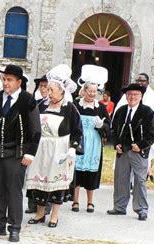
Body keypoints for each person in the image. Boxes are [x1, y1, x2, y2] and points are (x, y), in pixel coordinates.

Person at [0, 64, 41, 242]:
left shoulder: (27, 100)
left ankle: (14, 227)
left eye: (10, 80)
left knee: (13, 191)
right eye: (4, 79)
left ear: (19, 82)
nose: (6, 83)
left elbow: (36, 130)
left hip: (16, 153)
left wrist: (30, 153)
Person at [25, 64, 82, 227]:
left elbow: (77, 130)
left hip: (60, 148)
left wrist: (73, 148)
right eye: (47, 90)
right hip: (42, 147)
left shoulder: (69, 109)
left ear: (62, 91)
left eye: (52, 90)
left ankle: (55, 215)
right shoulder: (41, 105)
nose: (48, 93)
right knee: (40, 179)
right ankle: (40, 213)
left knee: (57, 182)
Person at [108, 83, 154, 221]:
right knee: (121, 179)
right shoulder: (121, 111)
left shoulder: (147, 112)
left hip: (138, 152)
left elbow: (153, 132)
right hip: (123, 150)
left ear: (141, 96)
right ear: (126, 96)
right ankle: (119, 207)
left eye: (136, 94)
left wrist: (141, 145)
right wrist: (116, 143)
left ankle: (141, 209)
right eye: (130, 94)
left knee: (140, 180)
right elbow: (114, 129)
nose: (132, 97)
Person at [113, 73, 154, 183]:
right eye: (138, 80)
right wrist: (116, 142)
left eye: (143, 80)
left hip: (141, 145)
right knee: (122, 178)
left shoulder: (153, 96)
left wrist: (143, 144)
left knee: (140, 177)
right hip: (125, 146)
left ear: (148, 82)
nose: (140, 82)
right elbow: (115, 126)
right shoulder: (126, 102)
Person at [72, 81, 110, 213]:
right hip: (80, 141)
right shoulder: (76, 105)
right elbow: (70, 121)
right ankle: (75, 200)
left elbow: (109, 126)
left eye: (95, 92)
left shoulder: (100, 107)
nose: (92, 94)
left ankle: (90, 202)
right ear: (84, 91)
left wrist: (102, 126)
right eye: (90, 91)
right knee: (76, 170)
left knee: (91, 172)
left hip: (94, 143)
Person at [25, 74, 49, 215]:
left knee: (45, 174)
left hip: (48, 142)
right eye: (41, 86)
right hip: (36, 142)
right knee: (33, 172)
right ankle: (32, 203)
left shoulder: (55, 104)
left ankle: (45, 204)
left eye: (46, 86)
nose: (44, 89)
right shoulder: (37, 102)